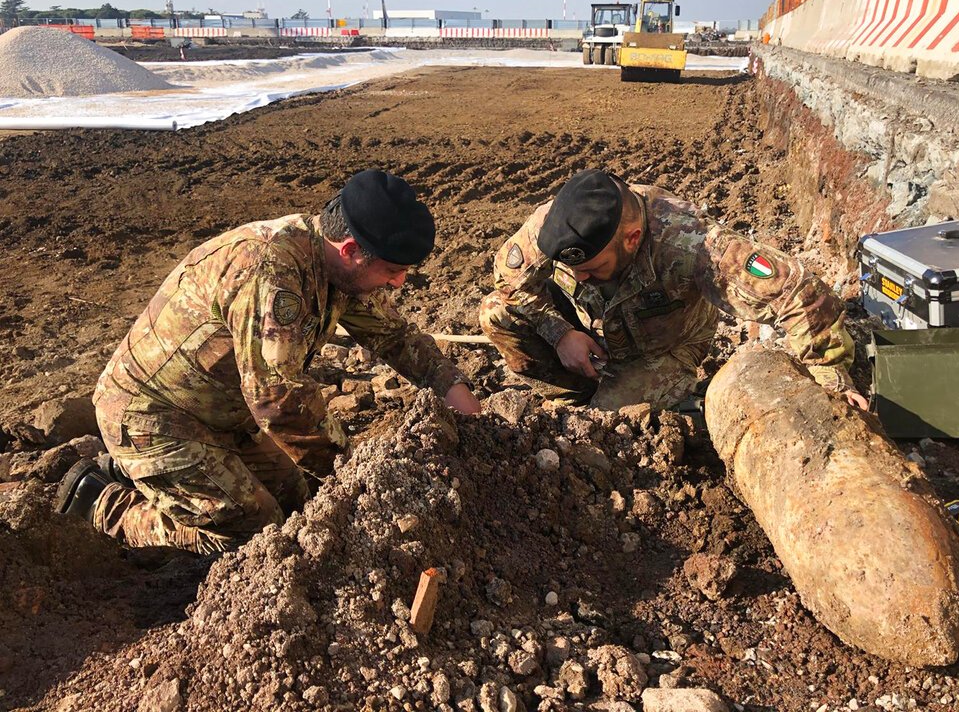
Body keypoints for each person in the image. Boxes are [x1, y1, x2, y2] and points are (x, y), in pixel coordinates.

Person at [56, 169, 481, 554]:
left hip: (225, 414)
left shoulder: (335, 268)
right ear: (351, 249)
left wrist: (455, 392)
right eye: (393, 270)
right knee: (256, 531)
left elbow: (396, 337)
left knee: (299, 499)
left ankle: (149, 474)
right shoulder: (272, 272)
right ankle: (103, 500)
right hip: (152, 416)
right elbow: (278, 402)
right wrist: (359, 474)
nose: (400, 281)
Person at [480, 168, 869, 412]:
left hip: (664, 348)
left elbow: (800, 291)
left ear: (632, 240)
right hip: (593, 334)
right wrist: (561, 333)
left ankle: (608, 402)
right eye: (573, 270)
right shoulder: (555, 223)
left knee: (612, 418)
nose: (580, 278)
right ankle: (574, 395)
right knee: (495, 311)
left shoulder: (691, 243)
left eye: (592, 269)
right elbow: (508, 277)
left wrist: (831, 381)